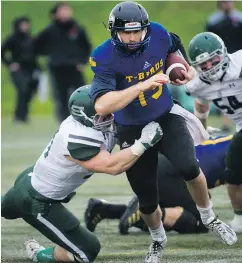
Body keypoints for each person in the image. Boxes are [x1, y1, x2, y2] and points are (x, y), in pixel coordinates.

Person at [89, 2, 237, 262]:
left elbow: (174, 47)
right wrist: (142, 86)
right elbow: (102, 104)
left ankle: (210, 217)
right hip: (131, 127)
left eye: (137, 32)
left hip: (166, 115)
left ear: (145, 28)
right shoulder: (104, 56)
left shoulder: (157, 33)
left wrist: (177, 68)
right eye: (126, 33)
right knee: (147, 198)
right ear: (114, 32)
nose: (133, 38)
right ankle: (158, 238)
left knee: (190, 167)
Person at [1, 85, 163, 263]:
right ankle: (39, 255)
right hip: (37, 201)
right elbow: (113, 166)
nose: (109, 115)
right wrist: (143, 143)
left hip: (31, 179)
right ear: (85, 116)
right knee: (87, 251)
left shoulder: (92, 122)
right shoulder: (77, 136)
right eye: (102, 113)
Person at [85, 135, 234, 235]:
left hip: (160, 165)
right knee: (200, 222)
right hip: (175, 174)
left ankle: (104, 209)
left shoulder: (229, 141)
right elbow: (236, 187)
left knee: (176, 203)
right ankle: (144, 216)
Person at [186, 31, 242, 235]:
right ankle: (240, 217)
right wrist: (201, 130)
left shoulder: (239, 63)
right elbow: (201, 106)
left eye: (213, 60)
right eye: (203, 65)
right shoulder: (198, 85)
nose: (209, 67)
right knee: (232, 174)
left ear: (224, 54)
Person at [34, 2, 92, 122]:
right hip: (57, 68)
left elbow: (87, 47)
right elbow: (36, 47)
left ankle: (85, 119)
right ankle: (64, 122)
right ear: (56, 14)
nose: (66, 13)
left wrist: (83, 61)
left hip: (75, 67)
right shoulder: (50, 31)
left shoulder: (77, 29)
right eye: (63, 10)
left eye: (68, 10)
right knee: (61, 97)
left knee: (82, 94)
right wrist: (52, 56)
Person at [205, 1, 242, 132]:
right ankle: (226, 123)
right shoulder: (214, 22)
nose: (227, 4)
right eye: (224, 2)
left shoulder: (240, 19)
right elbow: (209, 42)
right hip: (221, 62)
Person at [1, 16, 40, 123]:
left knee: (30, 91)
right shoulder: (12, 38)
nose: (25, 27)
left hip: (31, 69)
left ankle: (23, 114)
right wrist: (10, 64)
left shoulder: (31, 38)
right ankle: (19, 116)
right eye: (23, 25)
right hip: (19, 70)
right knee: (23, 90)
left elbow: (35, 54)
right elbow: (2, 52)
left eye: (27, 24)